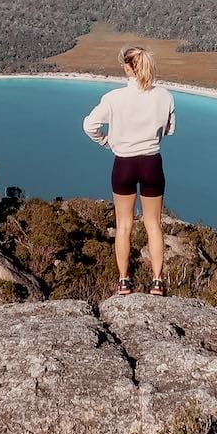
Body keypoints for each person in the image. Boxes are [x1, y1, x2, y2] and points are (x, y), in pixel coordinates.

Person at [82, 45, 177, 295]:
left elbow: (89, 125)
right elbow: (169, 129)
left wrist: (106, 141)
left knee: (124, 225)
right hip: (152, 162)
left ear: (126, 68)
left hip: (123, 163)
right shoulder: (164, 96)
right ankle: (157, 282)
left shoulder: (113, 98)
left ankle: (124, 281)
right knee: (153, 225)